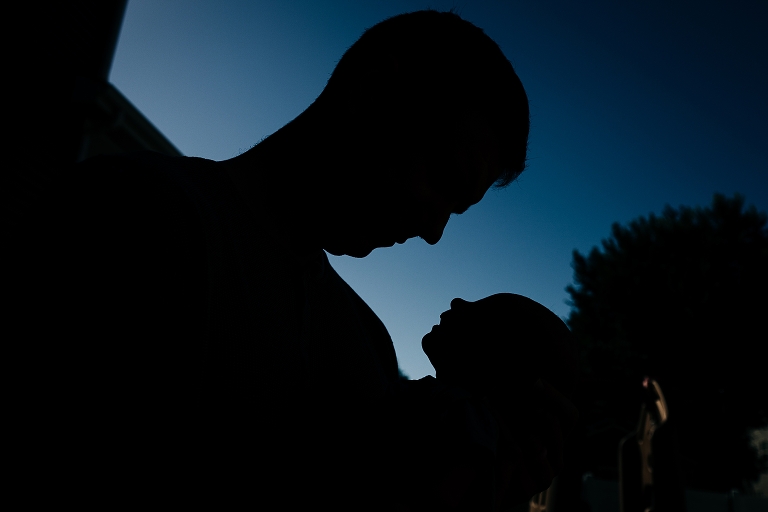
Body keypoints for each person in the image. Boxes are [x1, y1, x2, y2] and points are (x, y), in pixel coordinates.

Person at [9, 9, 577, 510]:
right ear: (374, 91)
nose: (434, 231)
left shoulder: (368, 342)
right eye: (445, 180)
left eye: (458, 209)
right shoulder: (136, 220)